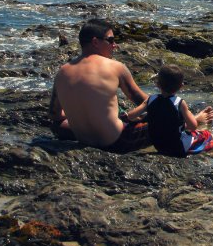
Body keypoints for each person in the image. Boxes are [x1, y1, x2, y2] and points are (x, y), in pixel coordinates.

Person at [49, 18, 151, 153]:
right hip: (118, 141)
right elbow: (149, 103)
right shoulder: (115, 67)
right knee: (166, 118)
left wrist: (80, 116)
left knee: (57, 125)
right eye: (111, 40)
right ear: (95, 42)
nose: (115, 45)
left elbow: (54, 115)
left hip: (84, 140)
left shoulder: (62, 72)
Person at [123, 64, 213, 157]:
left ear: (157, 84)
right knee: (204, 136)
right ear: (181, 86)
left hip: (159, 145)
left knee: (198, 135)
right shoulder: (179, 103)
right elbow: (193, 126)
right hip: (178, 147)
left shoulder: (150, 100)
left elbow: (131, 116)